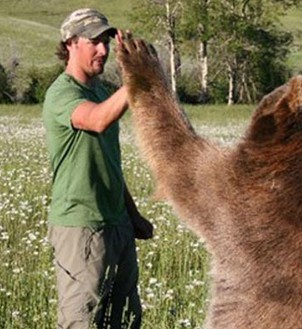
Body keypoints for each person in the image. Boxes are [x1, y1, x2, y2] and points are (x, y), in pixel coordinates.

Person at [42, 8, 153, 329]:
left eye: (106, 41)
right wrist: (136, 79)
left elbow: (110, 166)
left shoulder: (102, 93)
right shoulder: (62, 94)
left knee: (124, 320)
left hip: (117, 226)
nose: (103, 50)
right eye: (94, 41)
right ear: (71, 43)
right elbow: (97, 119)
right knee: (83, 321)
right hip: (81, 229)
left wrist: (132, 216)